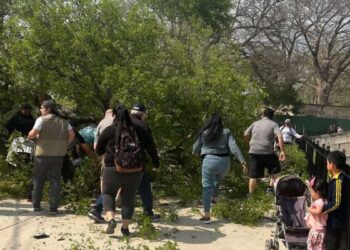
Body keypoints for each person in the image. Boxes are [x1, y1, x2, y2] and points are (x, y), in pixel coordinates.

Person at [96, 105, 159, 236]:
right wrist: (155, 162)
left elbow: (99, 149)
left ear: (114, 115)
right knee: (128, 198)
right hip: (135, 170)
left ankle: (111, 219)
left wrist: (105, 153)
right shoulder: (140, 130)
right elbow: (151, 148)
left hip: (112, 168)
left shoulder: (109, 130)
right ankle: (125, 228)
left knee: (108, 194)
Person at [193, 113, 247, 224]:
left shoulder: (204, 133)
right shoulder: (226, 132)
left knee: (207, 187)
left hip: (209, 160)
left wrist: (198, 154)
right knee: (218, 179)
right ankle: (215, 198)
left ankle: (207, 216)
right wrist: (243, 162)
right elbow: (234, 148)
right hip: (225, 162)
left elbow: (195, 149)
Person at [27, 100, 75, 214]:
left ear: (48, 109)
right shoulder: (64, 121)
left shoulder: (41, 120)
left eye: (42, 108)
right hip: (58, 154)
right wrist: (64, 145)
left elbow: (31, 135)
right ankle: (53, 207)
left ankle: (36, 205)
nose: (40, 110)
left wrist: (34, 136)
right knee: (55, 181)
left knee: (39, 179)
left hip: (42, 154)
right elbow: (72, 135)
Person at [130, 103, 161, 222]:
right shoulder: (142, 125)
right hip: (137, 161)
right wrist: (156, 163)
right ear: (142, 114)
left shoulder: (119, 123)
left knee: (113, 186)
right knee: (144, 187)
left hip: (118, 161)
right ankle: (148, 213)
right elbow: (151, 147)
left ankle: (98, 208)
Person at [244, 108, 285, 194]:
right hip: (267, 152)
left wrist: (248, 145)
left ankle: (251, 195)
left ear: (263, 115)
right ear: (272, 116)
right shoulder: (274, 124)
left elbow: (245, 134)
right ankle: (270, 189)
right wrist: (282, 151)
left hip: (253, 151)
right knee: (274, 170)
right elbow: (279, 136)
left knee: (253, 175)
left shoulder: (255, 123)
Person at [88, 109, 115, 222]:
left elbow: (95, 146)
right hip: (118, 158)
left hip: (105, 157)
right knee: (113, 185)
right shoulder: (118, 122)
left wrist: (101, 156)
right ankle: (99, 208)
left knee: (105, 182)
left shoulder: (101, 123)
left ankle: (103, 208)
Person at [322, 150, 349, 250]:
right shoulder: (340, 176)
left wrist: (322, 209)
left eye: (327, 162)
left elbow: (336, 203)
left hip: (335, 222)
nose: (326, 164)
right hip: (337, 220)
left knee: (331, 244)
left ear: (332, 165)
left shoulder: (338, 181)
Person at [304, 177, 328, 250]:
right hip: (318, 230)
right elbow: (312, 192)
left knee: (313, 247)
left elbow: (318, 211)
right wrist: (309, 186)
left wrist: (310, 209)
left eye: (312, 192)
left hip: (316, 231)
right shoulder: (324, 201)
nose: (311, 194)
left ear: (317, 193)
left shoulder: (319, 202)